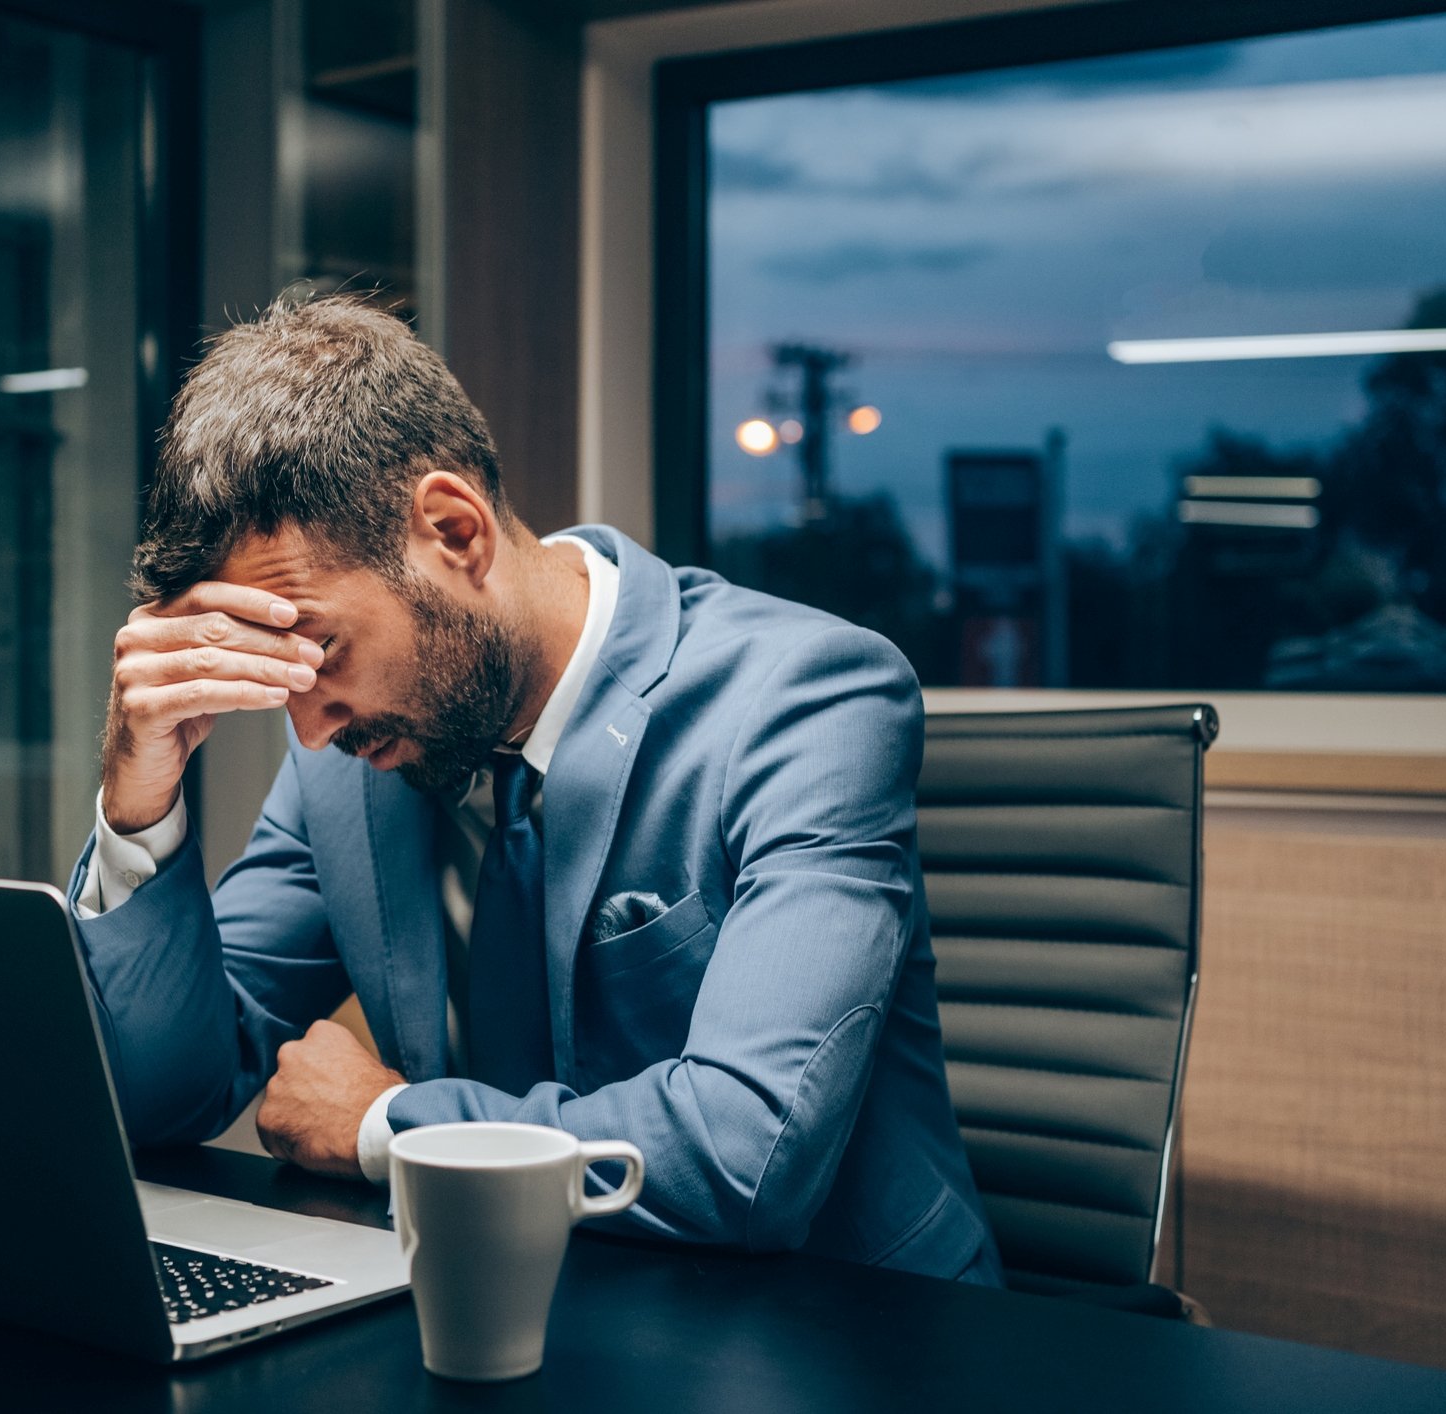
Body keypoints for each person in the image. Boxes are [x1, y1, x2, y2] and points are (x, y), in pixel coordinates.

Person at [70, 294, 999, 1283]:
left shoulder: (806, 699)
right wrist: (140, 801)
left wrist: (387, 1125)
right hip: (508, 1314)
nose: (307, 726)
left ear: (455, 530)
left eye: (322, 649)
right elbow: (164, 1100)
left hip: (846, 1334)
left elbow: (746, 1152)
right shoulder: (349, 751)